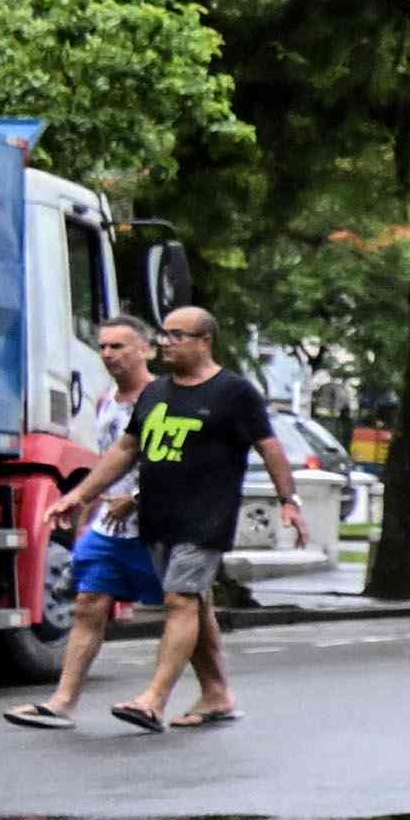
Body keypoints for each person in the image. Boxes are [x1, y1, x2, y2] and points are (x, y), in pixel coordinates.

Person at [110, 308, 304, 735]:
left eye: (178, 335)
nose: (167, 342)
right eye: (164, 335)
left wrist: (288, 500)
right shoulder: (156, 391)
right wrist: (86, 494)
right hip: (159, 514)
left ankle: (152, 700)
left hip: (207, 515)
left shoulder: (235, 392)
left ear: (204, 341)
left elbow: (269, 447)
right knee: (195, 603)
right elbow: (130, 450)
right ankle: (216, 694)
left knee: (181, 599)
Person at [5, 316, 163, 732]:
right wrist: (85, 514)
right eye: (104, 347)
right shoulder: (105, 400)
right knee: (88, 604)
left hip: (159, 523)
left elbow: (178, 465)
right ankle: (62, 703)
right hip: (109, 526)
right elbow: (107, 461)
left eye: (120, 347)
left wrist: (138, 500)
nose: (109, 355)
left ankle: (214, 691)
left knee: (189, 609)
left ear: (146, 349)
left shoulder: (164, 398)